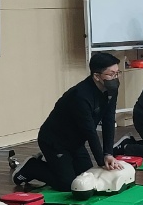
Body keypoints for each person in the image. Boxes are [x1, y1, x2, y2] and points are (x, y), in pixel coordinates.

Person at [11, 53, 126, 190]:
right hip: (55, 141)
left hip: (76, 142)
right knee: (69, 185)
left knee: (86, 178)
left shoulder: (111, 89)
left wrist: (108, 154)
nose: (115, 78)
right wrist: (101, 162)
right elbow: (90, 131)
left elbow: (108, 121)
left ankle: (54, 163)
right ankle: (32, 167)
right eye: (111, 74)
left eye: (117, 73)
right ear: (96, 76)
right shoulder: (81, 96)